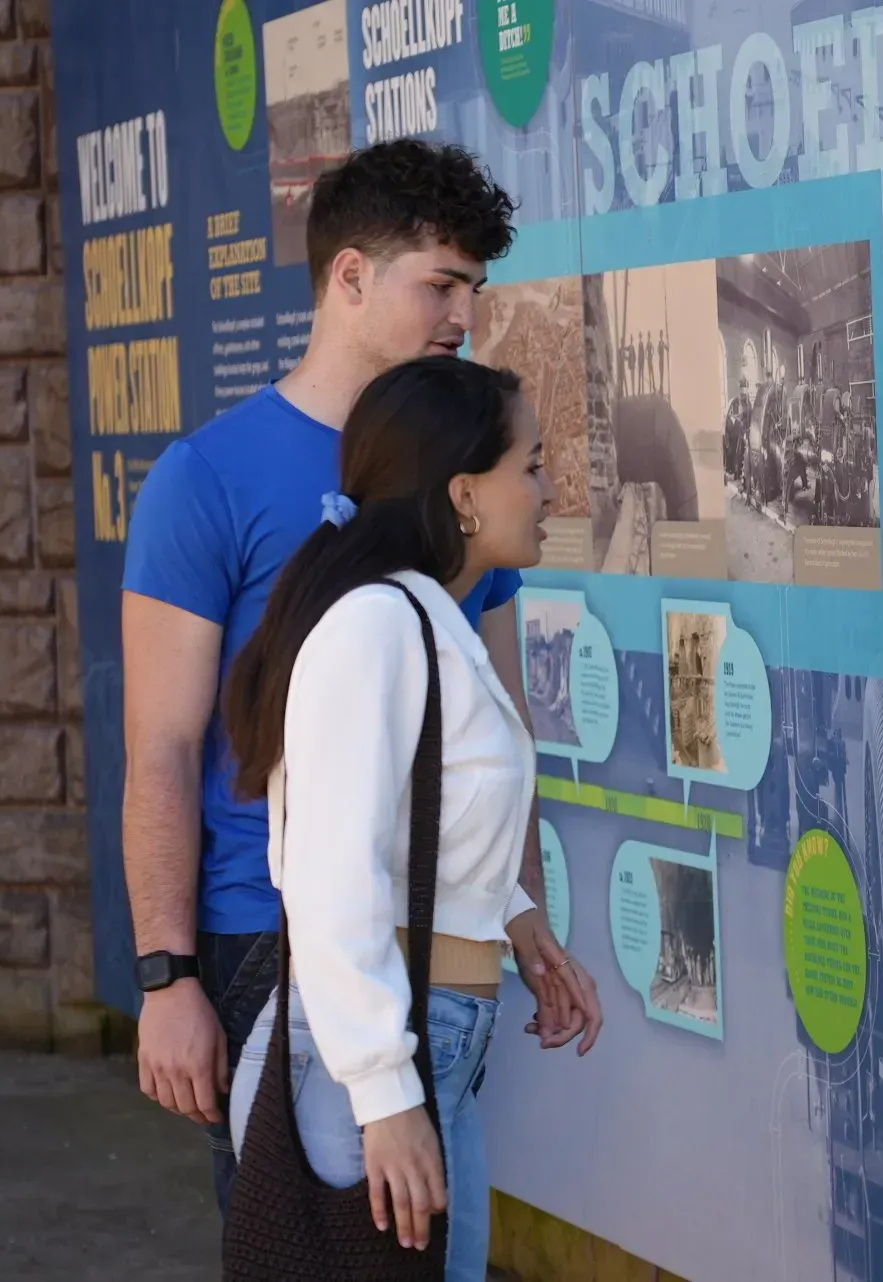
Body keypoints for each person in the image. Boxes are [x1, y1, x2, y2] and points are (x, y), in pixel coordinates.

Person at [120, 139, 602, 1212]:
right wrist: (168, 974)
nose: (464, 315)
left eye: (475, 288)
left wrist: (519, 912)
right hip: (269, 941)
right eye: (441, 284)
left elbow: (502, 718)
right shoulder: (205, 480)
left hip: (431, 947)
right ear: (349, 276)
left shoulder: (462, 482)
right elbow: (162, 749)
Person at [224, 356, 558, 1275]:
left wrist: (517, 920)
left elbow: (427, 824)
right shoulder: (377, 625)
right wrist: (383, 1094)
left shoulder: (421, 617)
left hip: (425, 1047)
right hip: (366, 1067)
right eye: (531, 465)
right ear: (464, 494)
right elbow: (332, 874)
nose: (549, 489)